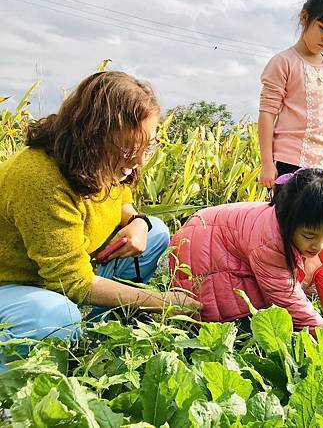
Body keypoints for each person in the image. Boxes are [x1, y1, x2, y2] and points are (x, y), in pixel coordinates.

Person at [0, 71, 201, 371]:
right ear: (93, 136)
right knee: (56, 314)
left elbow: (120, 204)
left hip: (67, 270)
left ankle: (90, 326)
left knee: (156, 232)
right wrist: (163, 302)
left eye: (148, 146)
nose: (139, 161)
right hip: (14, 283)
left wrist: (138, 222)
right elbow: (71, 282)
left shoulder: (105, 164)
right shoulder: (40, 179)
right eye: (129, 149)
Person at [170, 168, 323, 333]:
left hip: (221, 240)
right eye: (309, 237)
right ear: (288, 222)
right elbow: (287, 299)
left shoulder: (317, 225)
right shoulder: (268, 240)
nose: (319, 245)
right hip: (200, 254)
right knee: (249, 326)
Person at [258, 0, 323, 188]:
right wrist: (267, 163)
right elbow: (267, 112)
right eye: (322, 28)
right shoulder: (283, 62)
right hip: (288, 159)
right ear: (304, 17)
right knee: (287, 218)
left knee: (319, 219)